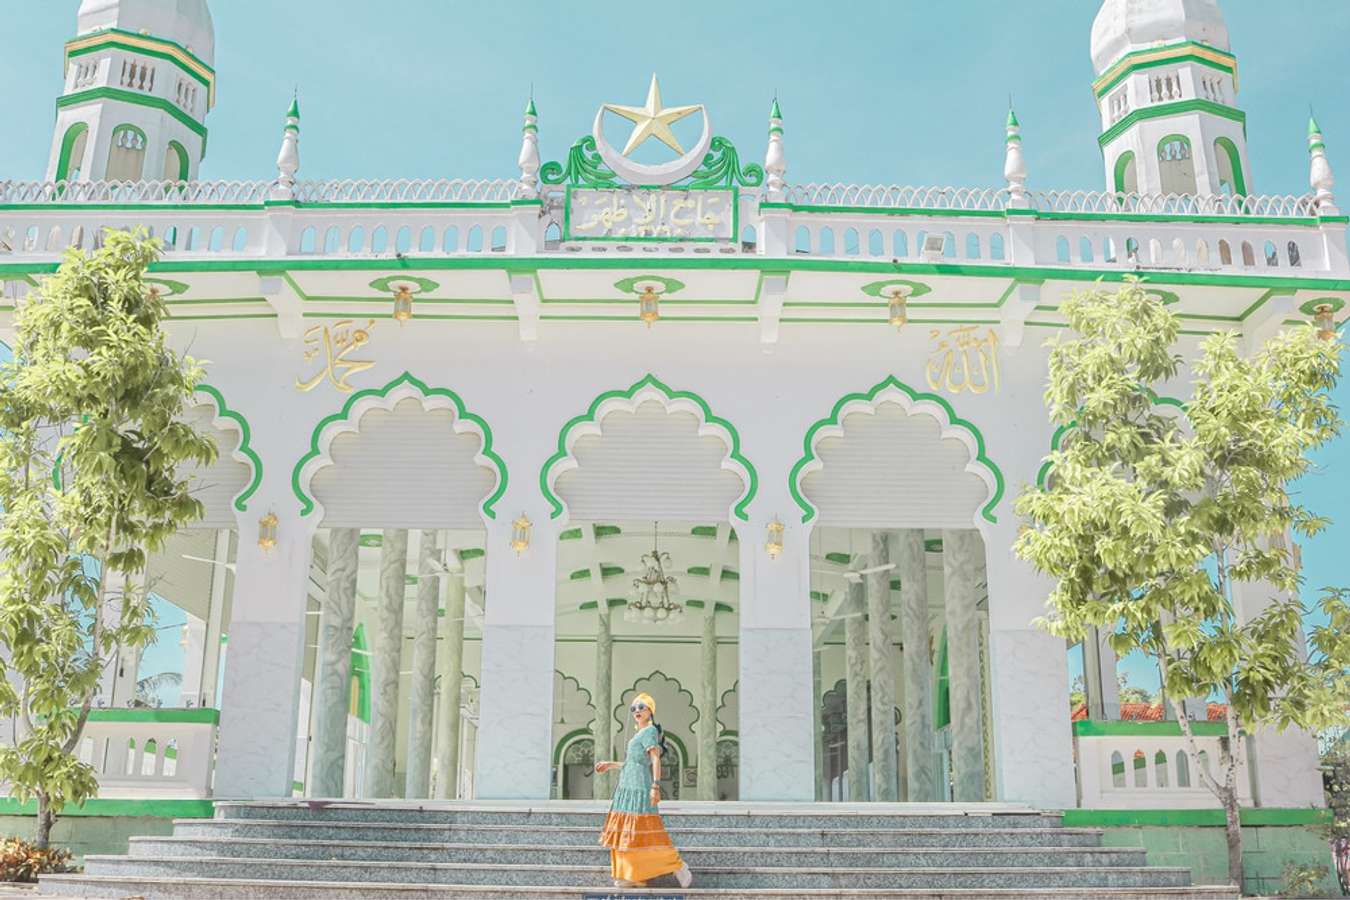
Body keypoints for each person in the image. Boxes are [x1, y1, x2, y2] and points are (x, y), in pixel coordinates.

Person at [594, 693, 693, 889]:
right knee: (627, 831)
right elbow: (632, 763)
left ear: (650, 711)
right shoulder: (638, 735)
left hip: (640, 786)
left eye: (641, 707)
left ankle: (678, 866)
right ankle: (632, 875)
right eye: (634, 708)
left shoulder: (649, 731)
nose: (637, 711)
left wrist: (656, 786)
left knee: (642, 830)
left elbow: (655, 759)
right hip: (626, 787)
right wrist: (609, 764)